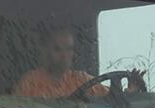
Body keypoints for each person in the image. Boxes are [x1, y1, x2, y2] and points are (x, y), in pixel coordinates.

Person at [13, 27, 143, 99]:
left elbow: (110, 102)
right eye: (58, 49)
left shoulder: (82, 79)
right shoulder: (30, 82)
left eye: (69, 49)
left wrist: (131, 91)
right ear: (45, 51)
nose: (65, 55)